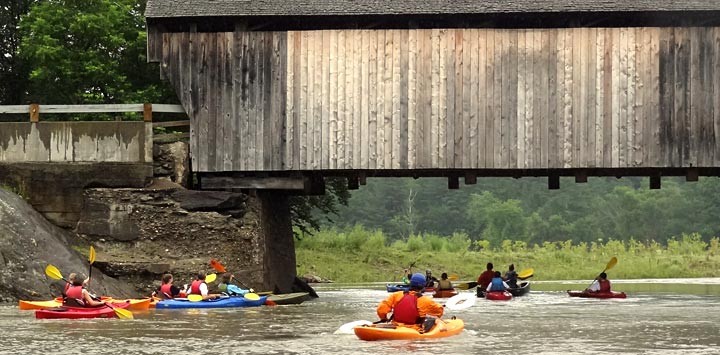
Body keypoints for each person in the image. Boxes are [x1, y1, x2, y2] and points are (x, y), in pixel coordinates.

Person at [377, 273, 444, 332]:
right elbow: (439, 311)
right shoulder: (425, 300)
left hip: (396, 326)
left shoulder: (396, 295)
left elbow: (381, 309)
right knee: (431, 320)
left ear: (411, 283)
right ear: (423, 286)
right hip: (413, 329)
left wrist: (384, 318)